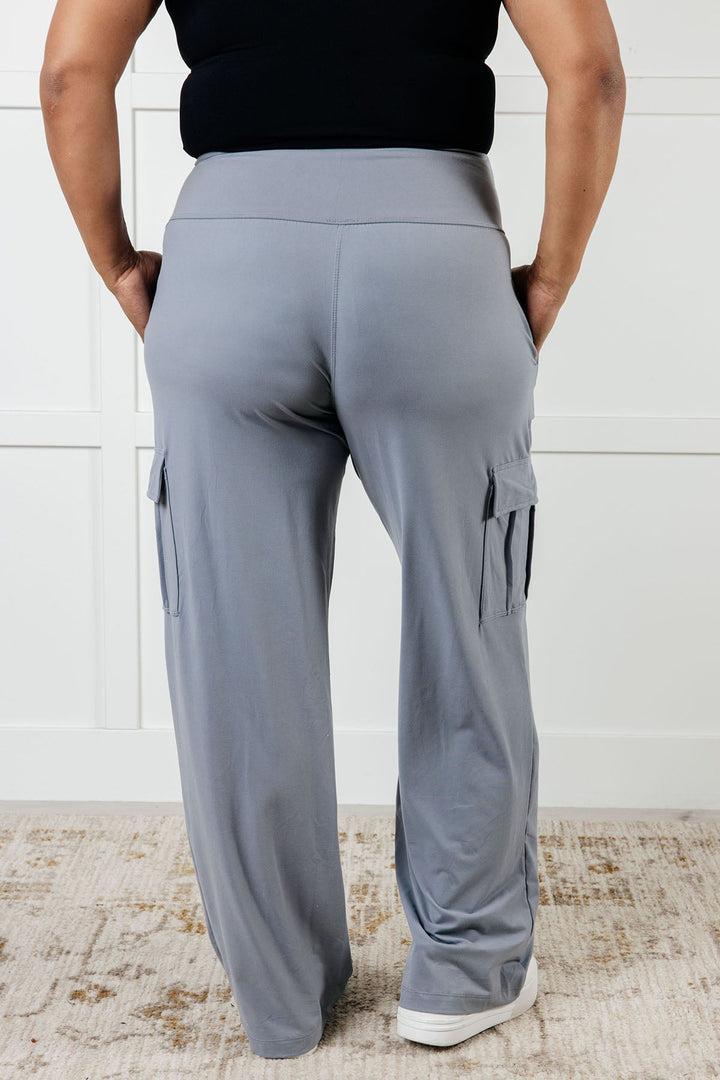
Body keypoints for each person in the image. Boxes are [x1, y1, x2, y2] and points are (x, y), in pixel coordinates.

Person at [39, 0, 625, 1060]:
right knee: (468, 624)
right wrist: (551, 275)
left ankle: (280, 995)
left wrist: (121, 264)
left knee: (236, 651)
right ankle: (464, 971)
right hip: (435, 257)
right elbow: (588, 71)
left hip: (228, 264)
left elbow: (72, 74)